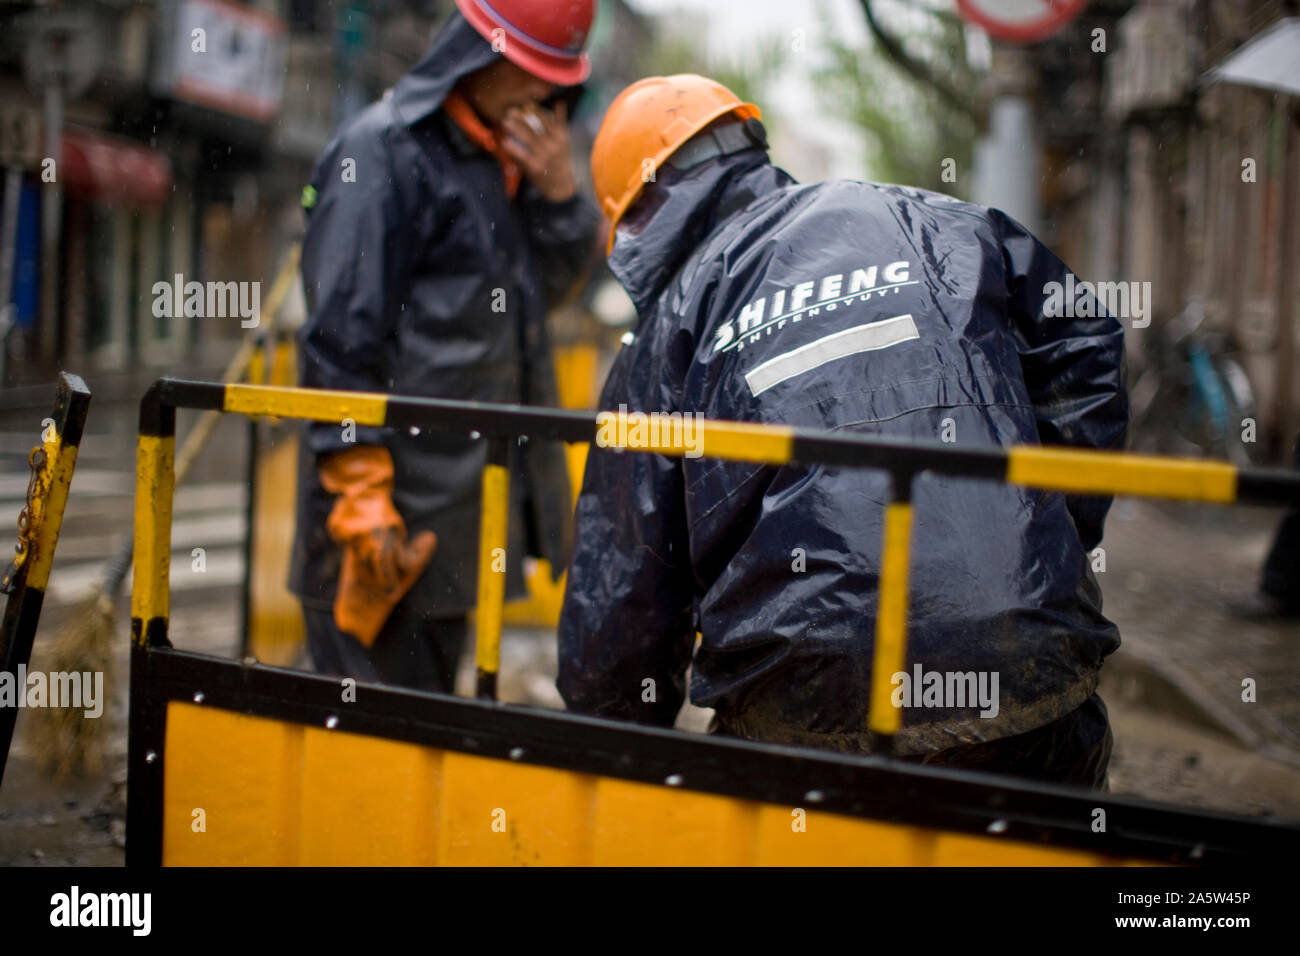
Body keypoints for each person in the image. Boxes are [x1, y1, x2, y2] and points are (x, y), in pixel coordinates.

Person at [556, 75, 1129, 788]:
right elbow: (1085, 343)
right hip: (1029, 660)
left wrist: (612, 761)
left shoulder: (666, 331)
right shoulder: (933, 223)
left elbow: (624, 589)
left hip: (805, 697)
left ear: (643, 213)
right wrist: (1039, 537)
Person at [290, 1, 599, 693]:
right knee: (369, 748)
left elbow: (531, 307)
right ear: (478, 54)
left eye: (554, 86)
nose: (541, 100)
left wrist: (560, 197)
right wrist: (362, 502)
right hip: (379, 527)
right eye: (530, 76)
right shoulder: (382, 152)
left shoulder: (500, 160)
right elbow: (340, 342)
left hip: (456, 528)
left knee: (426, 735)